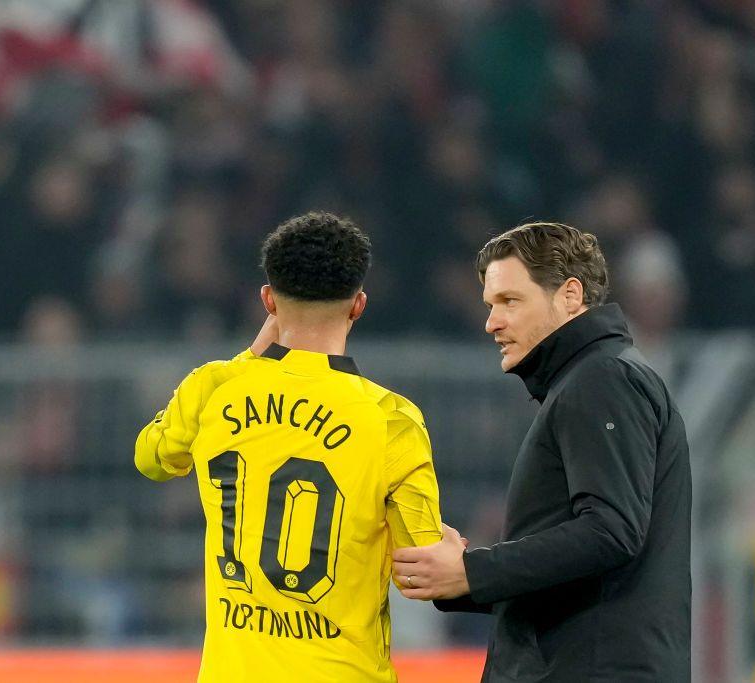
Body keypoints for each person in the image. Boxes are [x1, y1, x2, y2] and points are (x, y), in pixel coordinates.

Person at [134, 212, 442, 682]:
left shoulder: (216, 389)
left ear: (267, 300)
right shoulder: (391, 419)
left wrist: (247, 363)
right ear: (358, 305)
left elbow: (152, 458)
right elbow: (420, 565)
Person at [392, 222, 691, 681]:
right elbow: (583, 562)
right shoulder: (590, 380)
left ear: (570, 295)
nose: (492, 322)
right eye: (491, 305)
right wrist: (461, 575)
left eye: (510, 301)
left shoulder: (601, 379)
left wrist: (475, 571)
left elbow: (610, 532)